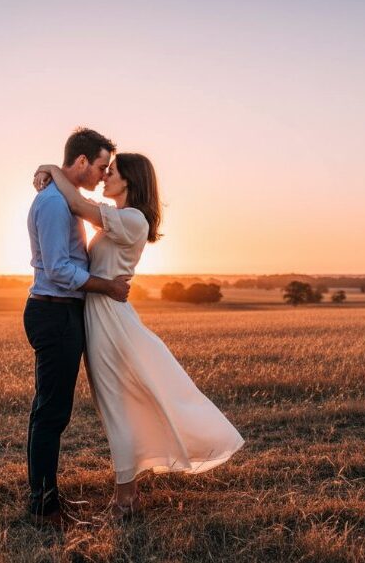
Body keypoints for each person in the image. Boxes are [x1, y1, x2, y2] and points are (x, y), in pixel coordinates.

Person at [33, 153, 245, 519]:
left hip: (110, 321)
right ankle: (126, 495)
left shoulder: (133, 220)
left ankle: (124, 501)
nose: (104, 178)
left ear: (130, 180)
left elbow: (78, 203)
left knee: (117, 407)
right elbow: (83, 205)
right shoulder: (119, 219)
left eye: (111, 172)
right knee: (118, 406)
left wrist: (51, 169)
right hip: (100, 316)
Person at [23, 128, 132, 527]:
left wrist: (48, 168)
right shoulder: (54, 204)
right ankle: (44, 508)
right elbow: (58, 269)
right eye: (102, 166)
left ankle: (48, 500)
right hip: (53, 312)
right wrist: (109, 286)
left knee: (52, 411)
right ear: (82, 161)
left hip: (63, 312)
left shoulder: (66, 198)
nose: (105, 175)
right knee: (51, 413)